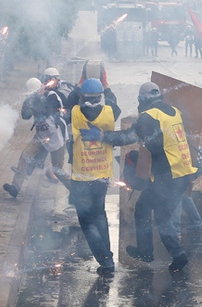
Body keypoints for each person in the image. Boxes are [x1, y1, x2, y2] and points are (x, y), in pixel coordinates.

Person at [80, 81, 197, 272]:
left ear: (142, 99)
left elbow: (127, 137)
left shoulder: (149, 117)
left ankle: (174, 255)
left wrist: (100, 135)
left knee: (161, 217)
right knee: (145, 208)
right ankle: (152, 251)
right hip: (181, 173)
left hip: (169, 177)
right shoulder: (173, 111)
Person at [69, 78, 121, 275]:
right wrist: (106, 84)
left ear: (82, 96)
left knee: (87, 221)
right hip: (102, 175)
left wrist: (80, 83)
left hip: (82, 177)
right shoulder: (110, 113)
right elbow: (113, 101)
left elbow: (71, 98)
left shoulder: (75, 112)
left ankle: (105, 261)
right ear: (101, 96)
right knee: (100, 216)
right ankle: (107, 256)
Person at [3, 73, 69, 198]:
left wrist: (39, 98)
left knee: (57, 170)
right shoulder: (31, 99)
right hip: (41, 135)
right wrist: (29, 102)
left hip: (56, 135)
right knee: (25, 155)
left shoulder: (52, 95)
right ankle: (15, 187)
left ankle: (75, 190)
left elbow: (46, 110)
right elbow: (25, 115)